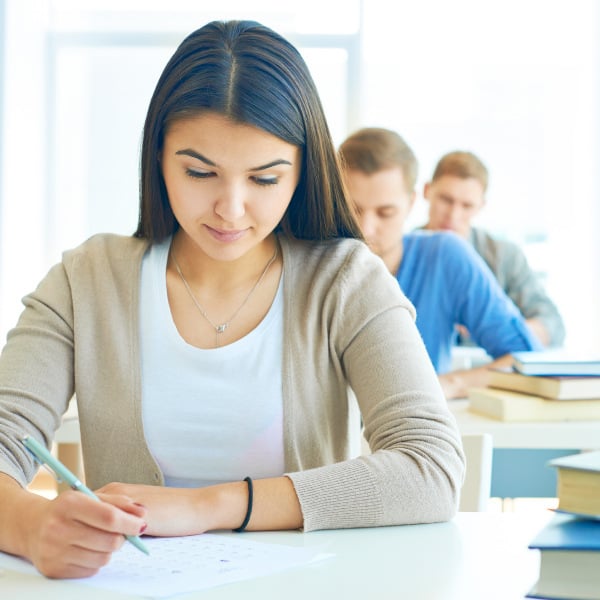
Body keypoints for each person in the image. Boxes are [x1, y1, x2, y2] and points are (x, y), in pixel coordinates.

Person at [0, 21, 464, 579]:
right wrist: (30, 525)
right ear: (158, 158)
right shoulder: (86, 281)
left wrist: (207, 506)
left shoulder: (345, 281)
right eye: (200, 172)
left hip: (308, 589)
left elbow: (430, 466)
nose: (231, 209)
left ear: (302, 173)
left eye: (265, 179)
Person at [338, 127, 542, 400]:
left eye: (385, 213)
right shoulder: (305, 260)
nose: (365, 229)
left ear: (411, 203)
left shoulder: (445, 257)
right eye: (353, 209)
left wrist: (449, 384)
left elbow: (527, 362)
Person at [422, 150, 565, 348]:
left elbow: (552, 325)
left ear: (481, 206)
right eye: (446, 200)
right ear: (427, 191)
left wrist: (498, 327)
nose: (453, 215)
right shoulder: (400, 251)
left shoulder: (506, 257)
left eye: (467, 206)